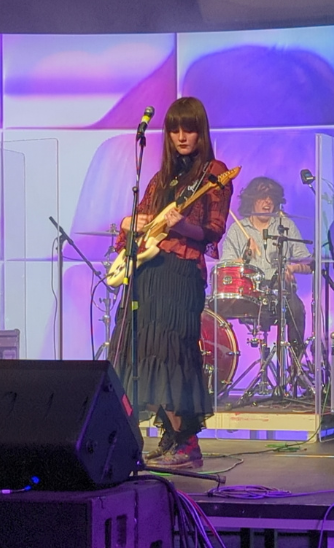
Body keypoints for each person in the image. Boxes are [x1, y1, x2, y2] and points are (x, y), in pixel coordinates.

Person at [109, 96, 233, 469]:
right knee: (140, 351)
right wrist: (128, 224)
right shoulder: (161, 178)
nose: (181, 137)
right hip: (148, 274)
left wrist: (183, 226)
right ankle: (168, 435)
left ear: (201, 132)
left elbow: (213, 230)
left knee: (173, 353)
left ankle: (188, 443)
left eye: (189, 130)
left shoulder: (214, 173)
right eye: (175, 130)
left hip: (180, 275)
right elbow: (138, 223)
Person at [218, 176, 311, 351]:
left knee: (296, 309)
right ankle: (222, 359)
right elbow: (226, 265)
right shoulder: (238, 229)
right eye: (262, 197)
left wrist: (293, 268)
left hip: (279, 290)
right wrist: (245, 256)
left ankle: (294, 362)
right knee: (216, 307)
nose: (268, 202)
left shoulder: (285, 225)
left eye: (271, 198)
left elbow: (308, 263)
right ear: (252, 200)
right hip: (250, 291)